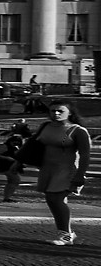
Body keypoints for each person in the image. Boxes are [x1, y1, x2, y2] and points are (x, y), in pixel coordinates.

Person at [25, 101, 93, 247]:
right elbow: (32, 146)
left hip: (67, 169)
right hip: (47, 169)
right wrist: (17, 163)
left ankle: (66, 237)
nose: (56, 114)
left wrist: (81, 174)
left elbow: (85, 154)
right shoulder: (46, 127)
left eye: (60, 111)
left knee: (56, 199)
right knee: (51, 200)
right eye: (52, 111)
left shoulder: (78, 130)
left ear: (70, 112)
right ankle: (66, 233)